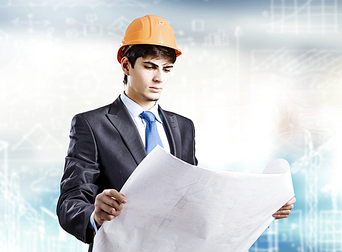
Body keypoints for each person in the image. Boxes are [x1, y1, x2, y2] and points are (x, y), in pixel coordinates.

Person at [56, 15, 295, 251]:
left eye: (167, 69)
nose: (159, 77)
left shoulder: (183, 128)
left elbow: (195, 201)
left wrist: (262, 209)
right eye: (149, 66)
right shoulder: (92, 125)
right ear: (126, 65)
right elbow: (70, 202)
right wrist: (95, 215)